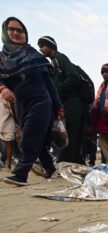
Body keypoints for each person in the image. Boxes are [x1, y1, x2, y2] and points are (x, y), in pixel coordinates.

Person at [0, 17, 62, 186]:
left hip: (41, 101)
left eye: (20, 30)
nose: (15, 33)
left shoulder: (35, 56)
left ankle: (21, 174)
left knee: (29, 137)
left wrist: (59, 107)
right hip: (19, 106)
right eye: (11, 29)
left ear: (25, 33)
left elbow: (49, 85)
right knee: (37, 140)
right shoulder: (2, 59)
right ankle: (50, 168)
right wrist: (3, 89)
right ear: (5, 33)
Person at [37, 36, 84, 164]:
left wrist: (58, 89)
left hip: (72, 101)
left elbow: (74, 76)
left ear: (50, 46)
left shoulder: (59, 58)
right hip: (65, 102)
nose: (40, 49)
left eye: (42, 46)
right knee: (64, 134)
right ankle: (68, 162)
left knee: (70, 134)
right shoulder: (53, 62)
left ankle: (73, 164)